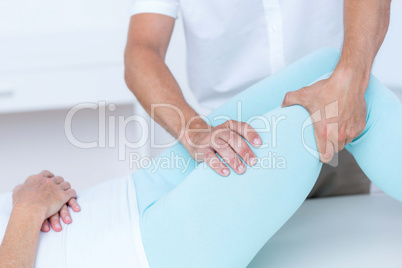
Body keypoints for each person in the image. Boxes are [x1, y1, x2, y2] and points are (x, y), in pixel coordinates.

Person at [0, 48, 401, 267]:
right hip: (144, 254)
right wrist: (25, 211)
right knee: (327, 114)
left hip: (134, 192)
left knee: (331, 71)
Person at [124, 0, 391, 197]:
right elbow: (142, 50)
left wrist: (351, 81)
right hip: (235, 147)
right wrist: (193, 129)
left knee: (351, 245)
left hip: (336, 126)